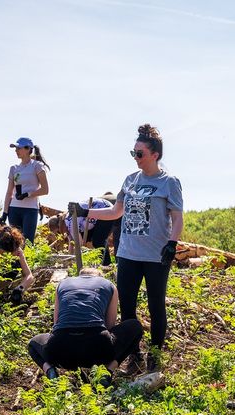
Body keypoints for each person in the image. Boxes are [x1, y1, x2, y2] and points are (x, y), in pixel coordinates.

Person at [71, 124, 183, 372]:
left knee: (156, 305)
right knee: (128, 307)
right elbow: (115, 211)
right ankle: (134, 355)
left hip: (156, 255)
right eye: (133, 153)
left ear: (155, 155)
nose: (136, 158)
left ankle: (155, 355)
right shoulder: (130, 180)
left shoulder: (169, 182)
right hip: (128, 253)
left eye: (140, 153)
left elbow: (177, 218)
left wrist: (172, 244)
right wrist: (85, 212)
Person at [27, 268, 143, 383]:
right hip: (99, 349)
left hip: (60, 351)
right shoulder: (109, 285)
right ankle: (107, 372)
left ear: (80, 276)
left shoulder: (62, 284)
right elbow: (110, 325)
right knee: (136, 326)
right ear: (99, 277)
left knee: (33, 344)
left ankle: (51, 372)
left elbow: (56, 324)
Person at [0, 137, 49, 243]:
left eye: (18, 148)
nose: (16, 150)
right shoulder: (14, 168)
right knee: (14, 242)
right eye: (15, 148)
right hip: (14, 209)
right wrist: (5, 212)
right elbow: (9, 193)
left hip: (30, 210)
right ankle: (15, 260)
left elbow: (45, 190)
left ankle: (28, 260)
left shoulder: (37, 166)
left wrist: (27, 194)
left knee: (28, 242)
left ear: (28, 149)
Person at [48, 193, 121, 265]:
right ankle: (104, 261)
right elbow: (72, 242)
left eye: (58, 232)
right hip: (96, 217)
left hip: (105, 210)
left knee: (98, 241)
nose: (60, 234)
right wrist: (70, 260)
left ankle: (106, 264)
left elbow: (78, 243)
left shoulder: (69, 222)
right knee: (90, 238)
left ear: (59, 226)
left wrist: (78, 260)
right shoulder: (67, 224)